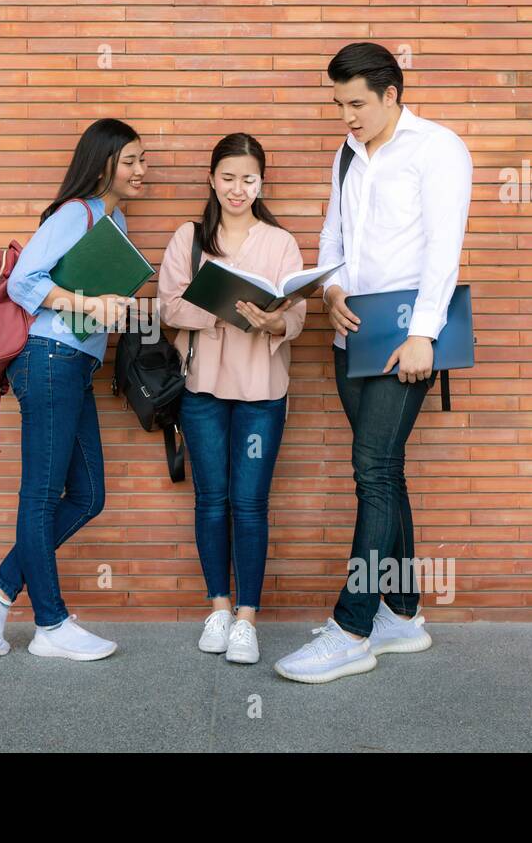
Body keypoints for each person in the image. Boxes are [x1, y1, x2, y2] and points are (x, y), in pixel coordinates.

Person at [274, 42, 473, 684]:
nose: (346, 117)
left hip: (404, 337)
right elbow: (333, 233)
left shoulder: (437, 149)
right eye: (338, 104)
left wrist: (424, 336)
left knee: (373, 469)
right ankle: (404, 614)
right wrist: (330, 290)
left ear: (392, 94)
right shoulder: (347, 153)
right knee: (385, 470)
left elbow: (445, 248)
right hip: (350, 334)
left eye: (356, 103)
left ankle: (353, 627)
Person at [0, 118, 146, 661]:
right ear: (103, 163)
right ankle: (51, 623)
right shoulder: (77, 213)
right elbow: (24, 281)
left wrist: (115, 309)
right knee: (41, 493)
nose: (142, 171)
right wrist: (90, 303)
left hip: (72, 365)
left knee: (88, 495)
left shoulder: (116, 223)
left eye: (143, 161)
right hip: (48, 360)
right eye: (131, 160)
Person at [157, 133, 307, 666]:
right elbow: (169, 308)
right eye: (227, 178)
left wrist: (274, 321)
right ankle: (217, 606)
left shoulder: (280, 241)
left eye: (247, 179)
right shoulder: (190, 238)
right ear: (211, 179)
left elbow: (296, 314)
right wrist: (220, 310)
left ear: (261, 182)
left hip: (262, 393)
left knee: (249, 504)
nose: (237, 189)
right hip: (201, 391)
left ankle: (247, 617)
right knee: (210, 500)